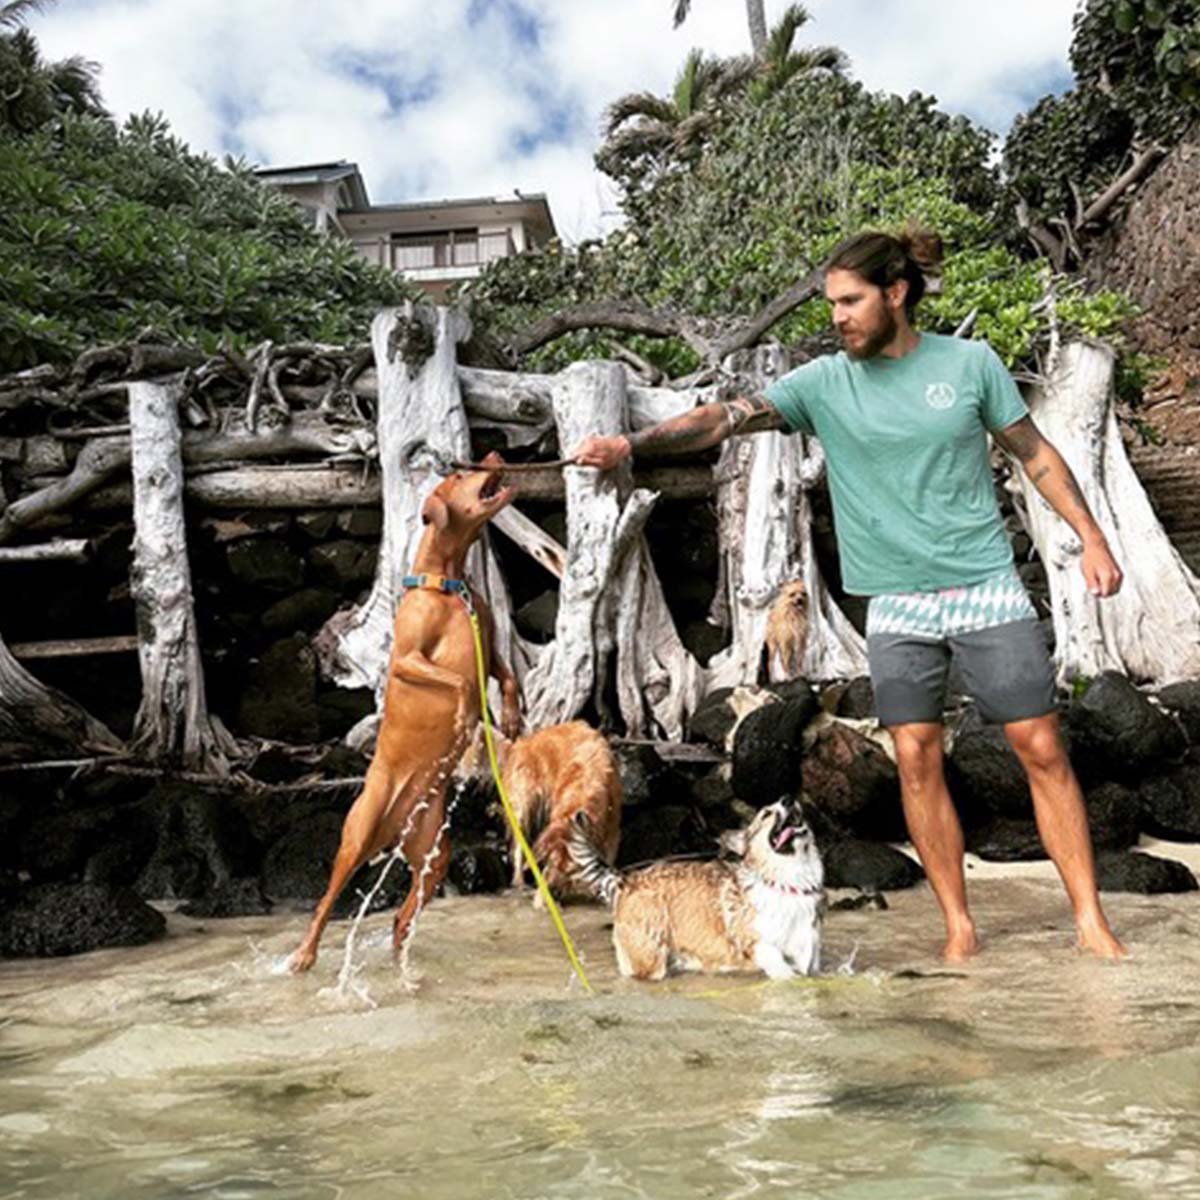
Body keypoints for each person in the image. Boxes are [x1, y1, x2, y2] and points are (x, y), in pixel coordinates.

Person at [572, 227, 1127, 962]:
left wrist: (1091, 536)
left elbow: (1036, 455)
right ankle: (959, 927)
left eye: (850, 300)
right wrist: (631, 445)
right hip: (895, 601)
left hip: (985, 583)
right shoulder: (823, 384)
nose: (837, 316)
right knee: (917, 755)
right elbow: (723, 418)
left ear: (895, 293)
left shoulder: (968, 365)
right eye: (831, 302)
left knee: (1041, 746)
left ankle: (1089, 919)